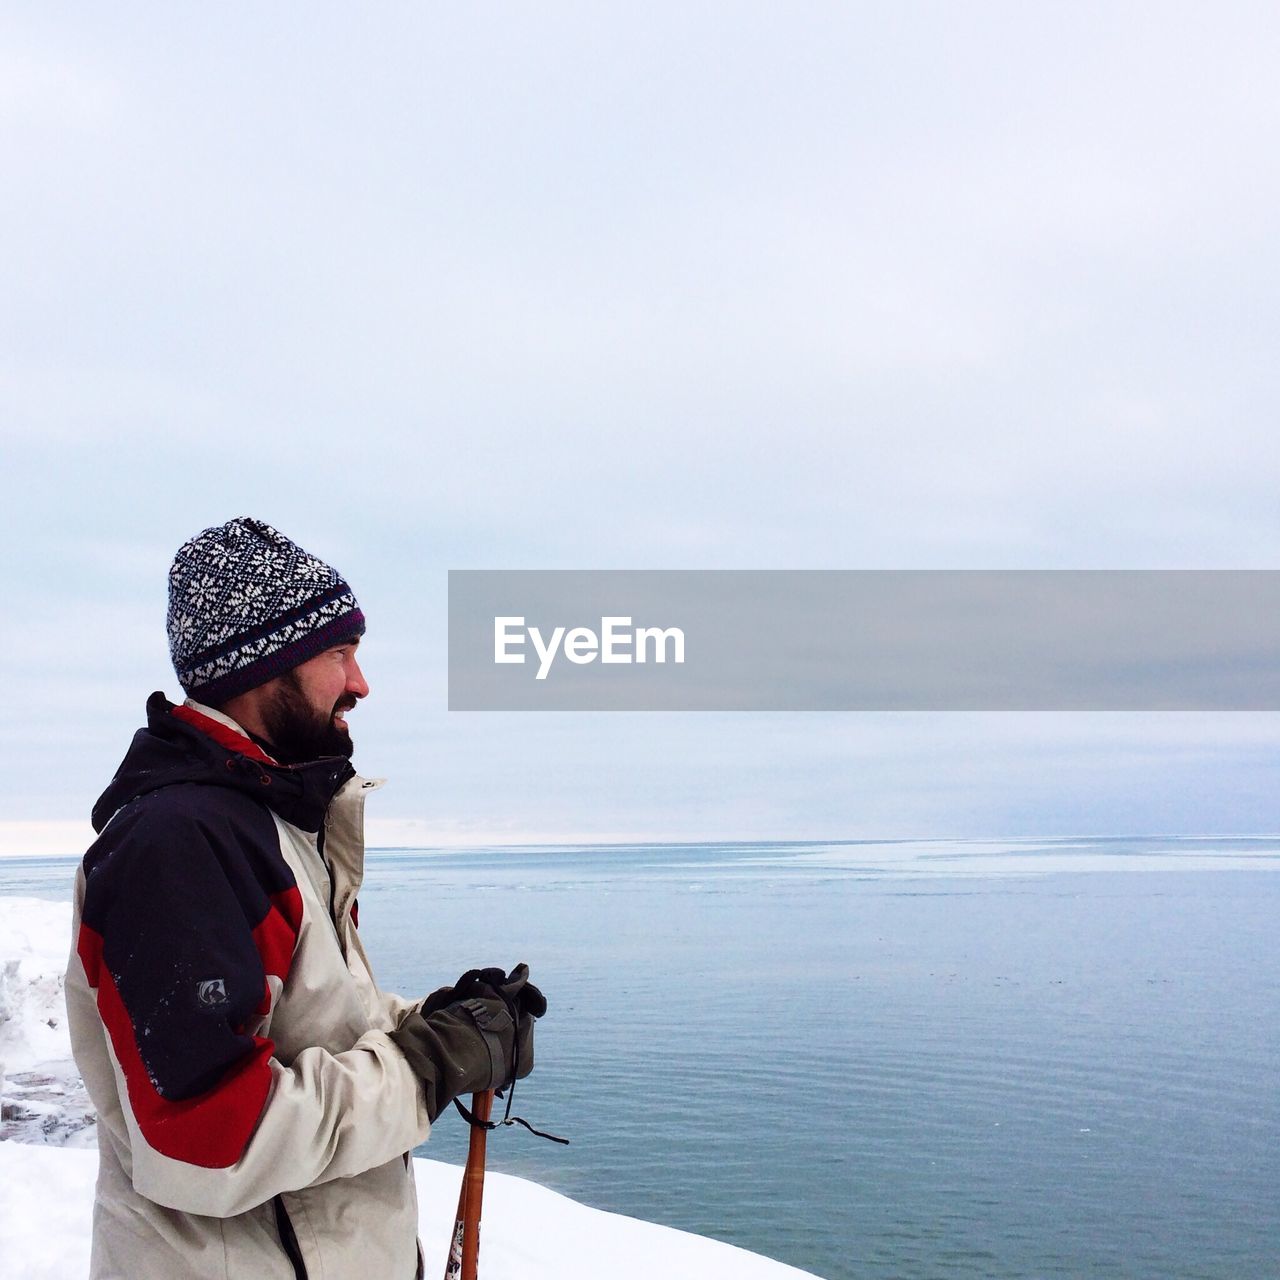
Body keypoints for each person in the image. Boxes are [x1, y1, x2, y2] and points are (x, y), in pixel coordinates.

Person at [64, 516, 544, 1280]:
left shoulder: (272, 823)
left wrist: (438, 1023)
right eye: (339, 654)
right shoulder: (180, 847)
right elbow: (210, 1139)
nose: (361, 683)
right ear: (260, 668)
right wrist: (424, 1067)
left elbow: (315, 1022)